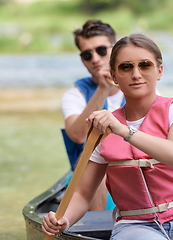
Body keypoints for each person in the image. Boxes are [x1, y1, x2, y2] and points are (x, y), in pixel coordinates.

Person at [43, 33, 173, 239]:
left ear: (159, 71)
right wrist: (64, 220)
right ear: (114, 76)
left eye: (145, 65)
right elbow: (83, 193)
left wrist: (123, 130)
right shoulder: (104, 127)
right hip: (136, 227)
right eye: (126, 67)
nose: (136, 74)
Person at [61, 19, 125, 211]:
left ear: (114, 50)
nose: (95, 59)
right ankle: (96, 227)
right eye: (88, 54)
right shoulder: (75, 95)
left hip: (130, 170)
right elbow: (78, 135)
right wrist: (103, 88)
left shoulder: (138, 87)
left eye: (101, 50)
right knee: (97, 159)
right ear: (82, 59)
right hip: (90, 178)